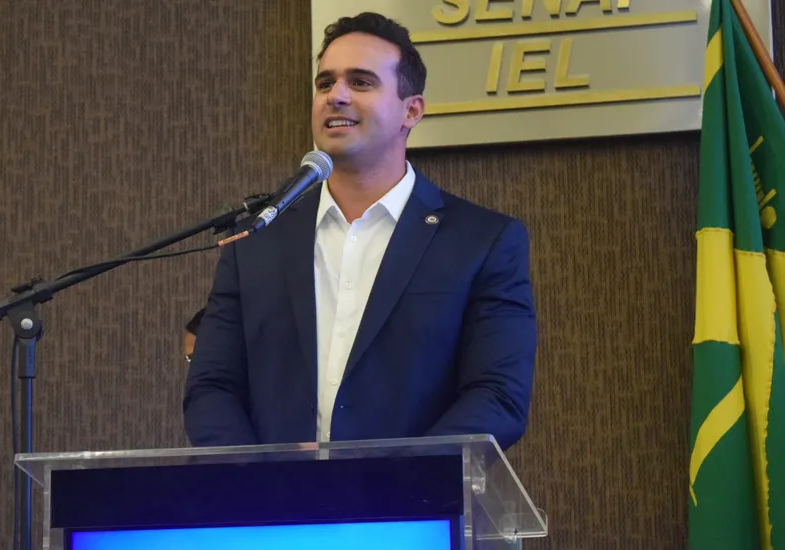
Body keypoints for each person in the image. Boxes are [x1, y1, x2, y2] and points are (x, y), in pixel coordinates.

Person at [183, 12, 536, 449]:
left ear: (411, 110)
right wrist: (261, 476)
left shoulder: (482, 242)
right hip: (273, 493)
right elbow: (212, 387)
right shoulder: (257, 239)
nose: (337, 96)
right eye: (325, 83)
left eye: (361, 82)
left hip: (413, 492)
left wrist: (388, 475)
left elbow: (498, 397)